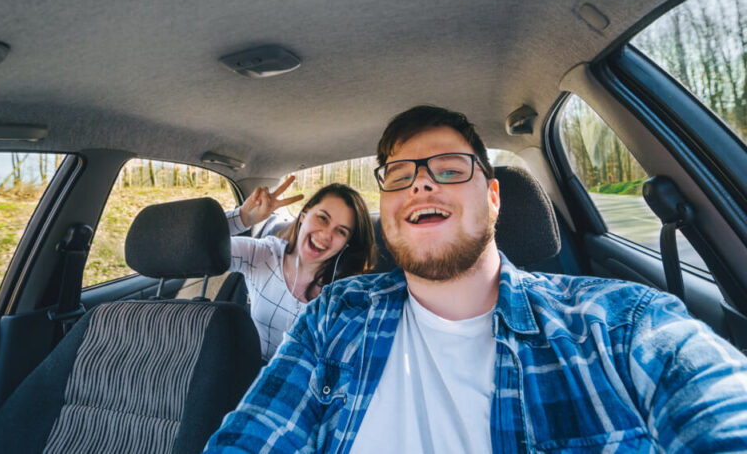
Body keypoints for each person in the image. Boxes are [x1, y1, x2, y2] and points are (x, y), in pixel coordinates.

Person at [205, 105, 747, 452]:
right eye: (400, 176)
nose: (421, 186)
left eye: (449, 170)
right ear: (387, 208)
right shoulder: (336, 316)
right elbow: (254, 436)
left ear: (492, 199)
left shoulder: (624, 324)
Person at [225, 180, 376, 361]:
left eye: (341, 231)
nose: (326, 235)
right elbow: (193, 247)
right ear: (304, 214)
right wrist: (242, 218)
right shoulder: (262, 254)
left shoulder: (346, 293)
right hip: (252, 374)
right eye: (322, 218)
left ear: (346, 244)